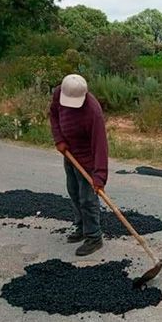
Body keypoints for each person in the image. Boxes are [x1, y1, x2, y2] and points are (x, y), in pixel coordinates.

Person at [50, 74, 108, 256]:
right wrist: (59, 139)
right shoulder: (60, 93)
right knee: (74, 192)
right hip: (69, 154)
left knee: (88, 199)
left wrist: (99, 177)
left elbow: (100, 146)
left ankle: (94, 237)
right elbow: (53, 114)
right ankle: (81, 227)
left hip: (87, 160)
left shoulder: (93, 111)